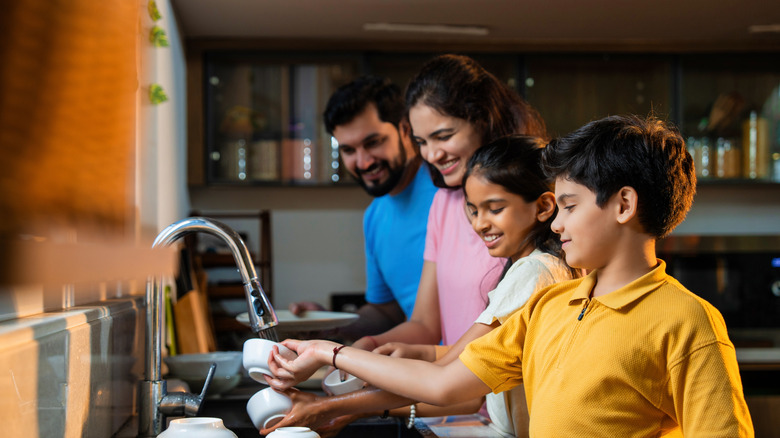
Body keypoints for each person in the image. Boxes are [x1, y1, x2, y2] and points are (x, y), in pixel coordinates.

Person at [268, 115, 754, 437]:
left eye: (568, 206)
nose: (556, 222)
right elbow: (443, 385)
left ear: (624, 205)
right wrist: (330, 353)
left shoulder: (689, 323)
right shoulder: (550, 307)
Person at [262, 54, 548, 437]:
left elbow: (463, 378)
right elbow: (440, 341)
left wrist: (335, 393)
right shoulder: (445, 203)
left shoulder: (535, 256)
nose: (431, 154)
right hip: (466, 414)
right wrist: (370, 349)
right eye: (422, 141)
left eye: (443, 136)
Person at [289, 76, 438, 341]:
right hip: (427, 369)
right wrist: (329, 323)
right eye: (348, 149)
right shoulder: (374, 217)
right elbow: (387, 312)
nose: (363, 161)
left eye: (373, 142)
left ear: (405, 130)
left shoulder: (447, 189)